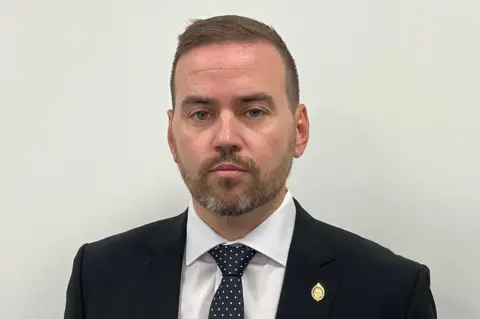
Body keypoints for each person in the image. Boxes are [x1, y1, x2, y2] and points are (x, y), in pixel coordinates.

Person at [63, 14, 437, 319]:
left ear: (300, 131)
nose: (226, 136)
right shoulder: (98, 277)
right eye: (201, 113)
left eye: (254, 111)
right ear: (172, 137)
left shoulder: (391, 293)